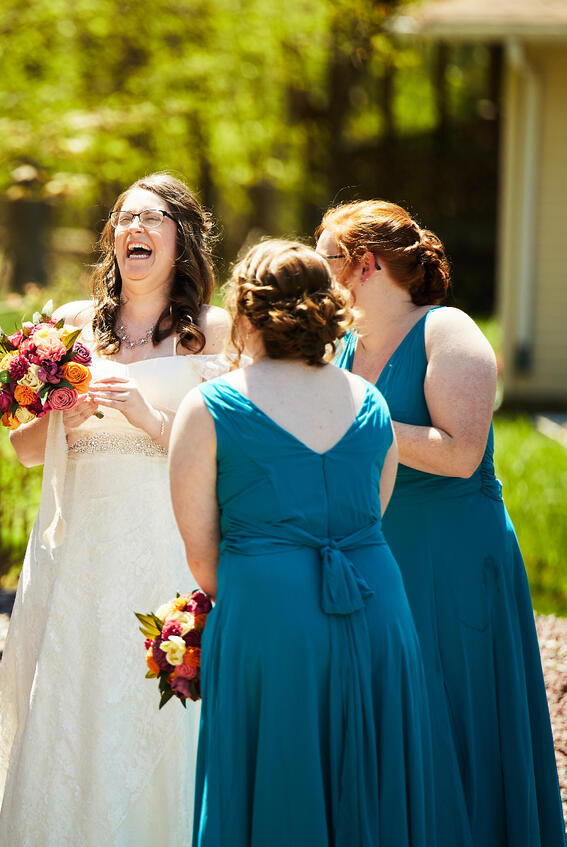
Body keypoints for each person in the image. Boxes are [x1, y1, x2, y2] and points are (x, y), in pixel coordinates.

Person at [0, 173, 230, 846]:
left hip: (165, 542)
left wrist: (143, 412)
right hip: (76, 547)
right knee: (72, 690)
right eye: (124, 218)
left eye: (151, 219)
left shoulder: (212, 332)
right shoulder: (67, 325)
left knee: (157, 697)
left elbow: (229, 450)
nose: (133, 230)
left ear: (182, 239)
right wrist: (64, 413)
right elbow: (25, 451)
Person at [168, 239, 436, 845]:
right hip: (376, 610)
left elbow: (202, 554)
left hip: (269, 616)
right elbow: (372, 513)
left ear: (244, 311)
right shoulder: (369, 401)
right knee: (372, 778)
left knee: (273, 784)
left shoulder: (210, 405)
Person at [319, 200, 565, 846]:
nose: (315, 277)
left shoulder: (445, 331)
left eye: (325, 260)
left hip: (452, 560)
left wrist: (355, 422)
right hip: (375, 555)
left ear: (365, 264)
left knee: (451, 718)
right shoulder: (339, 348)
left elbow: (459, 452)